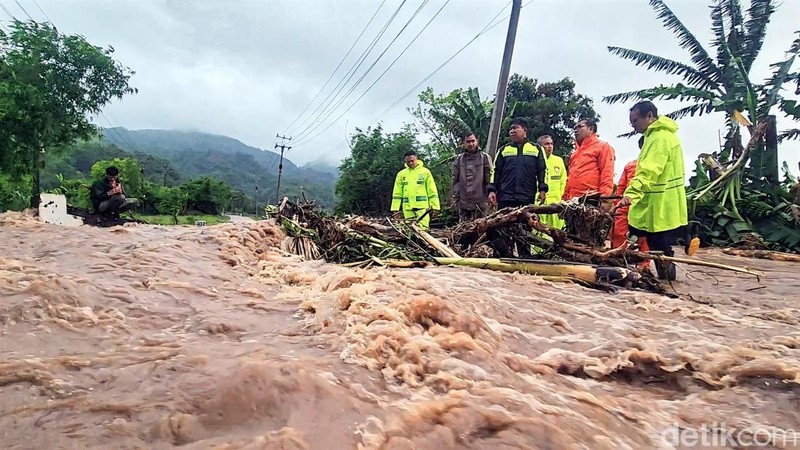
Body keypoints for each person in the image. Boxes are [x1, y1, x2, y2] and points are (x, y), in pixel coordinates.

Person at [616, 101, 688, 281]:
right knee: (645, 238)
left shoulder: (659, 138)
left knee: (659, 246)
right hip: (658, 201)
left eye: (635, 120)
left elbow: (649, 170)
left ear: (649, 116)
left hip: (660, 202)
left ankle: (667, 285)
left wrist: (631, 193)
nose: (633, 125)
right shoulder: (658, 136)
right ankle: (663, 282)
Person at [488, 117, 548, 209]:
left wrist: (543, 190)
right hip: (505, 197)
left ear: (524, 130)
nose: (512, 131)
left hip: (527, 197)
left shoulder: (536, 149)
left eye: (515, 128)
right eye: (510, 129)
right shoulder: (503, 150)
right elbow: (495, 172)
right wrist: (492, 190)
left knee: (526, 222)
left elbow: (542, 171)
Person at [562, 118, 615, 207]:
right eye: (575, 127)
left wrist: (605, 199)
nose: (576, 130)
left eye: (580, 127)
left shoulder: (602, 146)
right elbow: (570, 178)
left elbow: (607, 173)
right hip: (573, 201)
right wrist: (565, 199)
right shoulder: (575, 154)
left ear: (591, 129)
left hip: (591, 199)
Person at [611, 136, 649, 256]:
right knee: (618, 232)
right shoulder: (630, 166)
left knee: (644, 238)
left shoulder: (657, 167)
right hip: (627, 206)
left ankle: (644, 264)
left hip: (646, 208)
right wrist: (616, 206)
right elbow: (621, 188)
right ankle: (619, 259)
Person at [390, 150, 440, 230]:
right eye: (408, 162)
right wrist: (395, 209)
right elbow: (397, 193)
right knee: (410, 230)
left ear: (417, 159)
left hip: (422, 208)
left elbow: (432, 190)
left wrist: (435, 207)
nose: (410, 163)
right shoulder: (401, 174)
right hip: (407, 208)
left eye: (412, 161)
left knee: (423, 230)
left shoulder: (425, 172)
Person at [451, 131, 492, 222]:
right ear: (463, 143)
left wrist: (491, 194)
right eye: (468, 142)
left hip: (481, 201)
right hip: (464, 202)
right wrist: (455, 198)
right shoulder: (458, 160)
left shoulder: (485, 158)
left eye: (473, 141)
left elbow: (489, 179)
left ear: (477, 141)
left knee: (481, 229)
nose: (471, 144)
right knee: (463, 230)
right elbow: (455, 180)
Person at [537, 135, 567, 229]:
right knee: (539, 230)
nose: (550, 146)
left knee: (556, 230)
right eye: (546, 144)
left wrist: (559, 195)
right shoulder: (535, 160)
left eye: (551, 144)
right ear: (540, 146)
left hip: (555, 203)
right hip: (539, 204)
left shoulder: (558, 160)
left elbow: (563, 180)